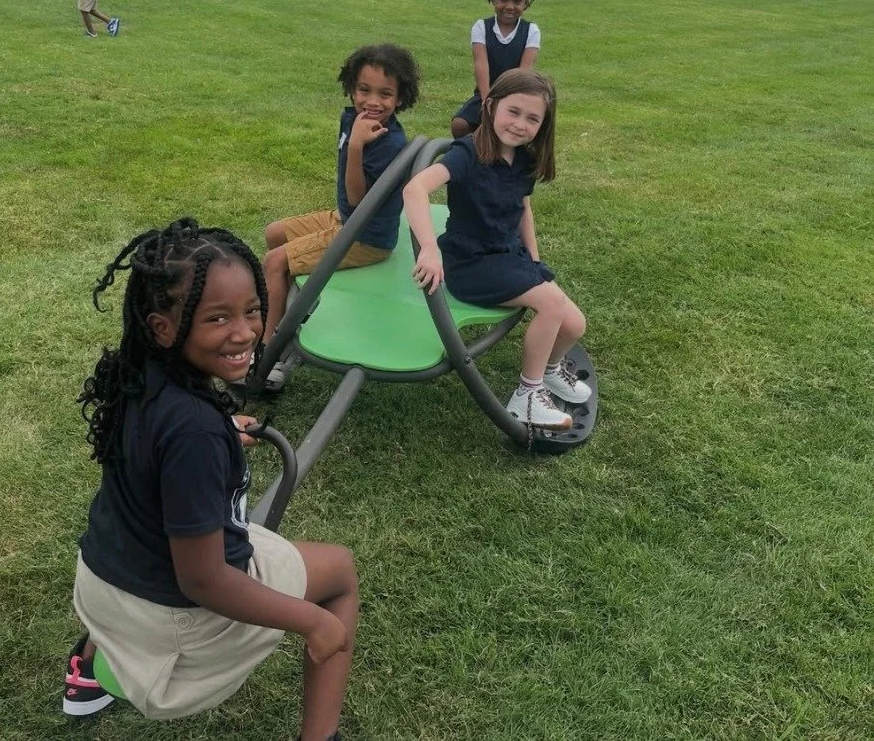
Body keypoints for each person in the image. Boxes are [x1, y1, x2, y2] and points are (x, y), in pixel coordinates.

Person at [62, 218, 358, 741]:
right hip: (175, 618)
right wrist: (310, 623)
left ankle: (86, 675)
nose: (243, 332)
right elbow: (203, 580)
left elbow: (165, 447)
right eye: (217, 317)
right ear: (163, 328)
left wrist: (217, 428)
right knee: (338, 575)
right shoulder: (194, 434)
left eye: (251, 311)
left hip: (102, 587)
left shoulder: (140, 380)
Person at [405, 70, 591, 429]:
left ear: (543, 125)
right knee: (551, 305)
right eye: (513, 111)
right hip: (470, 264)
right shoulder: (467, 154)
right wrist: (428, 248)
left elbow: (523, 210)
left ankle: (550, 370)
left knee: (574, 324)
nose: (520, 125)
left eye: (532, 118)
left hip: (508, 258)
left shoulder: (523, 160)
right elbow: (415, 189)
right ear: (490, 107)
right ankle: (528, 397)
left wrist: (534, 259)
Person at [261, 44, 420, 370]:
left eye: (385, 94)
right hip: (348, 219)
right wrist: (356, 139)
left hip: (366, 238)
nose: (373, 102)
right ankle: (298, 310)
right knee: (274, 233)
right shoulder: (355, 118)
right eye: (364, 90)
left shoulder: (388, 142)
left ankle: (268, 349)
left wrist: (357, 146)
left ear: (400, 98)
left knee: (274, 262)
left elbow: (358, 199)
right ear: (351, 88)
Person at [451, 0, 538, 139]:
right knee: (459, 125)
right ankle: (469, 156)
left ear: (526, 2)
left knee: (508, 131)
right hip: (486, 93)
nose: (509, 6)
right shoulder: (481, 27)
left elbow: (524, 72)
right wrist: (486, 101)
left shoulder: (531, 31)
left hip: (516, 96)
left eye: (517, 1)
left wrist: (507, 104)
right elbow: (481, 64)